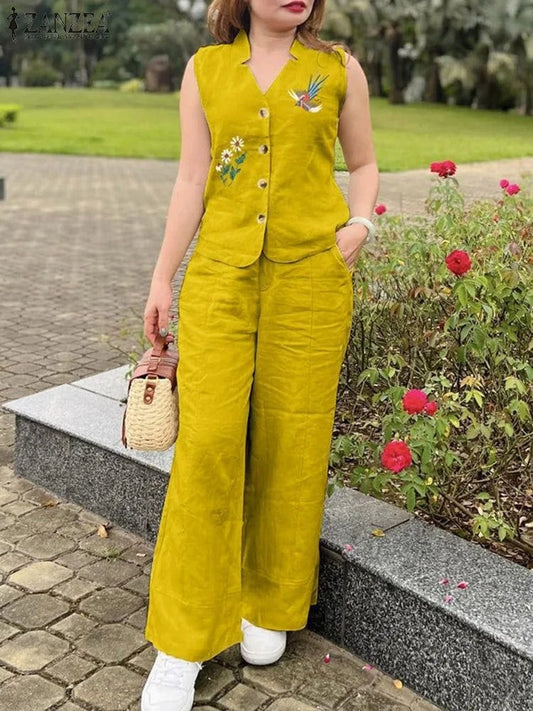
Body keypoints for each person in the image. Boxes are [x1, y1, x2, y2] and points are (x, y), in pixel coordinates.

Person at [141, 0, 379, 708]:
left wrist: (360, 222)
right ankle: (181, 643)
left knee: (292, 438)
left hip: (311, 282)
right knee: (208, 444)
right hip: (220, 277)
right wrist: (162, 277)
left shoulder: (338, 70)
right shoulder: (205, 70)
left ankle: (270, 600)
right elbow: (192, 179)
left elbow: (364, 163)